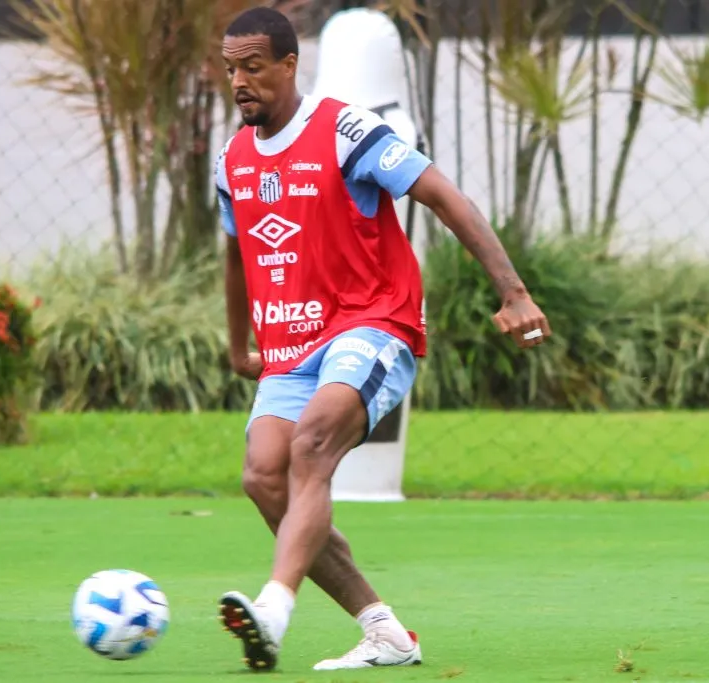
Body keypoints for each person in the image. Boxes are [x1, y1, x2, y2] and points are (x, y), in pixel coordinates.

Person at [213, 6, 551, 673]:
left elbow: (442, 194)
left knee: (311, 445)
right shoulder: (232, 159)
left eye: (253, 67)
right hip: (288, 345)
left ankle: (273, 610)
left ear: (288, 64)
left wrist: (513, 292)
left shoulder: (344, 128)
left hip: (374, 323)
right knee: (263, 476)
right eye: (230, 70)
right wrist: (236, 344)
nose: (240, 82)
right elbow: (237, 253)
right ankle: (385, 631)